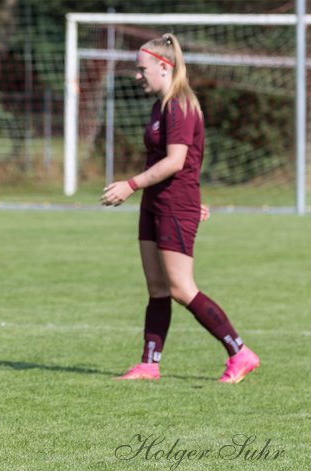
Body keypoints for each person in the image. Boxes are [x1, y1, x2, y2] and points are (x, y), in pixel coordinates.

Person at [100, 34, 260, 384]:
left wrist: (130, 184)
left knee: (181, 288)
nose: (137, 76)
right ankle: (149, 363)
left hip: (174, 204)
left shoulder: (180, 105)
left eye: (142, 70)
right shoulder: (160, 105)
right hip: (155, 204)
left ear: (164, 66)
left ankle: (240, 352)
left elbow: (176, 162)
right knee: (157, 288)